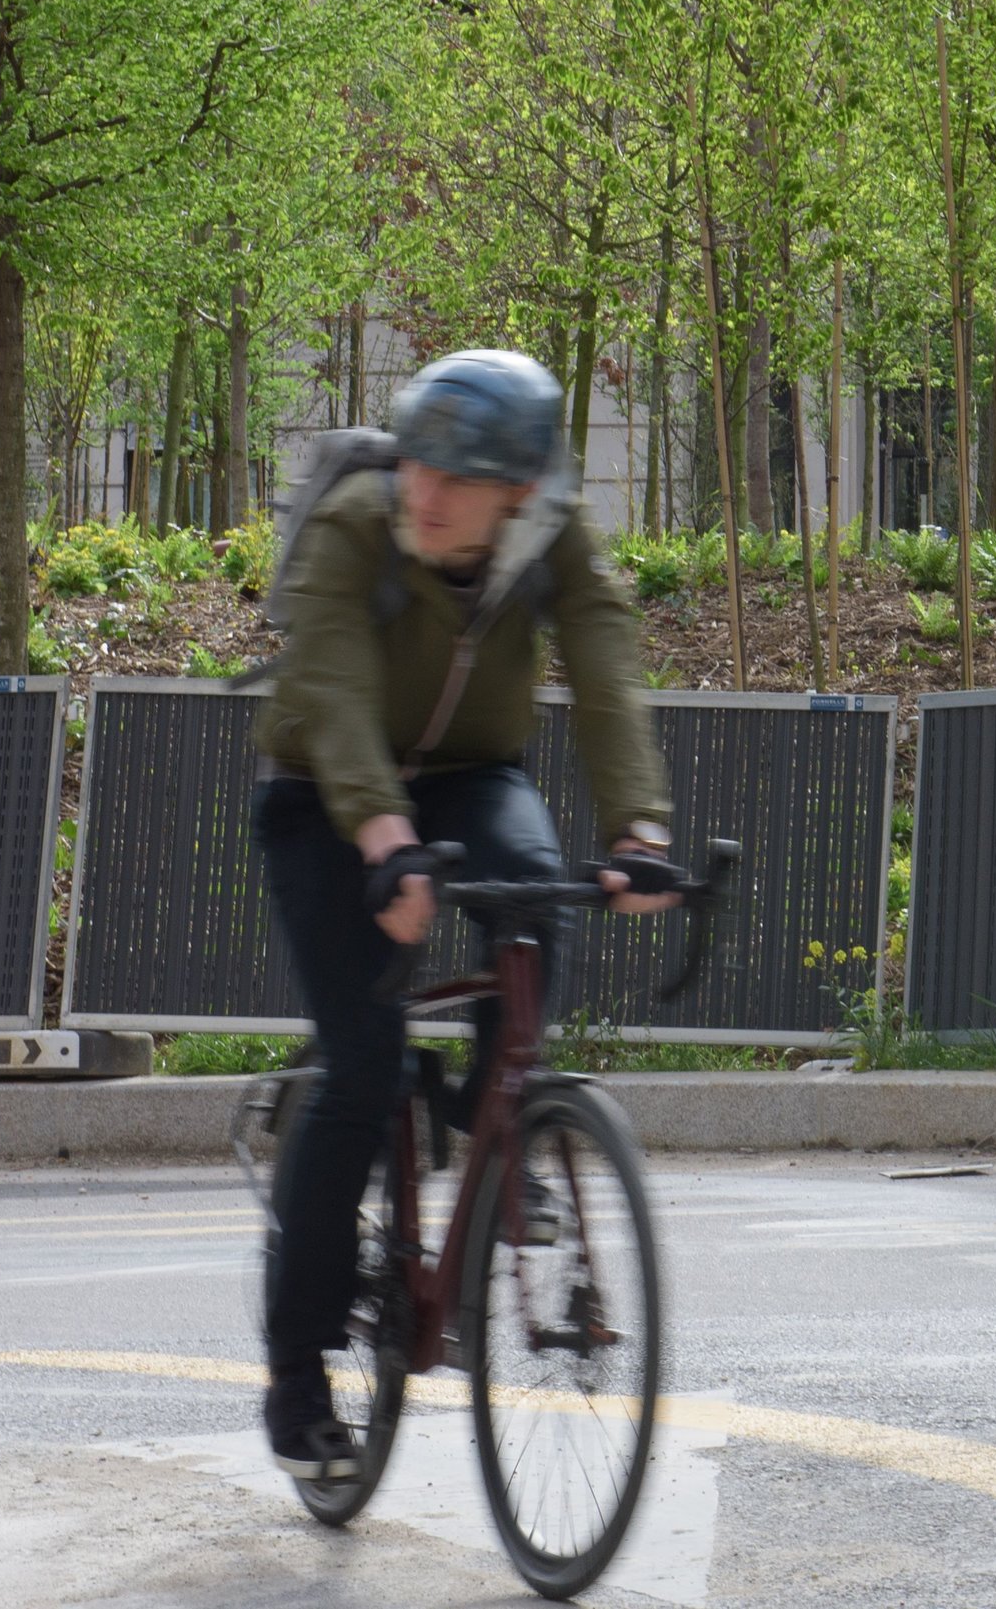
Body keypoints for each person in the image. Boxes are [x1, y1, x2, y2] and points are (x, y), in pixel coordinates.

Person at [253, 348, 677, 1465]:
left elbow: (606, 668)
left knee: (539, 905)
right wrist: (384, 842)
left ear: (520, 494)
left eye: (458, 478)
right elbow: (334, 696)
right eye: (419, 466)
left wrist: (639, 828)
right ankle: (297, 1378)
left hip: (471, 777)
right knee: (361, 1063)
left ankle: (505, 1117)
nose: (424, 494)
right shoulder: (357, 521)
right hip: (319, 793)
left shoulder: (556, 541)